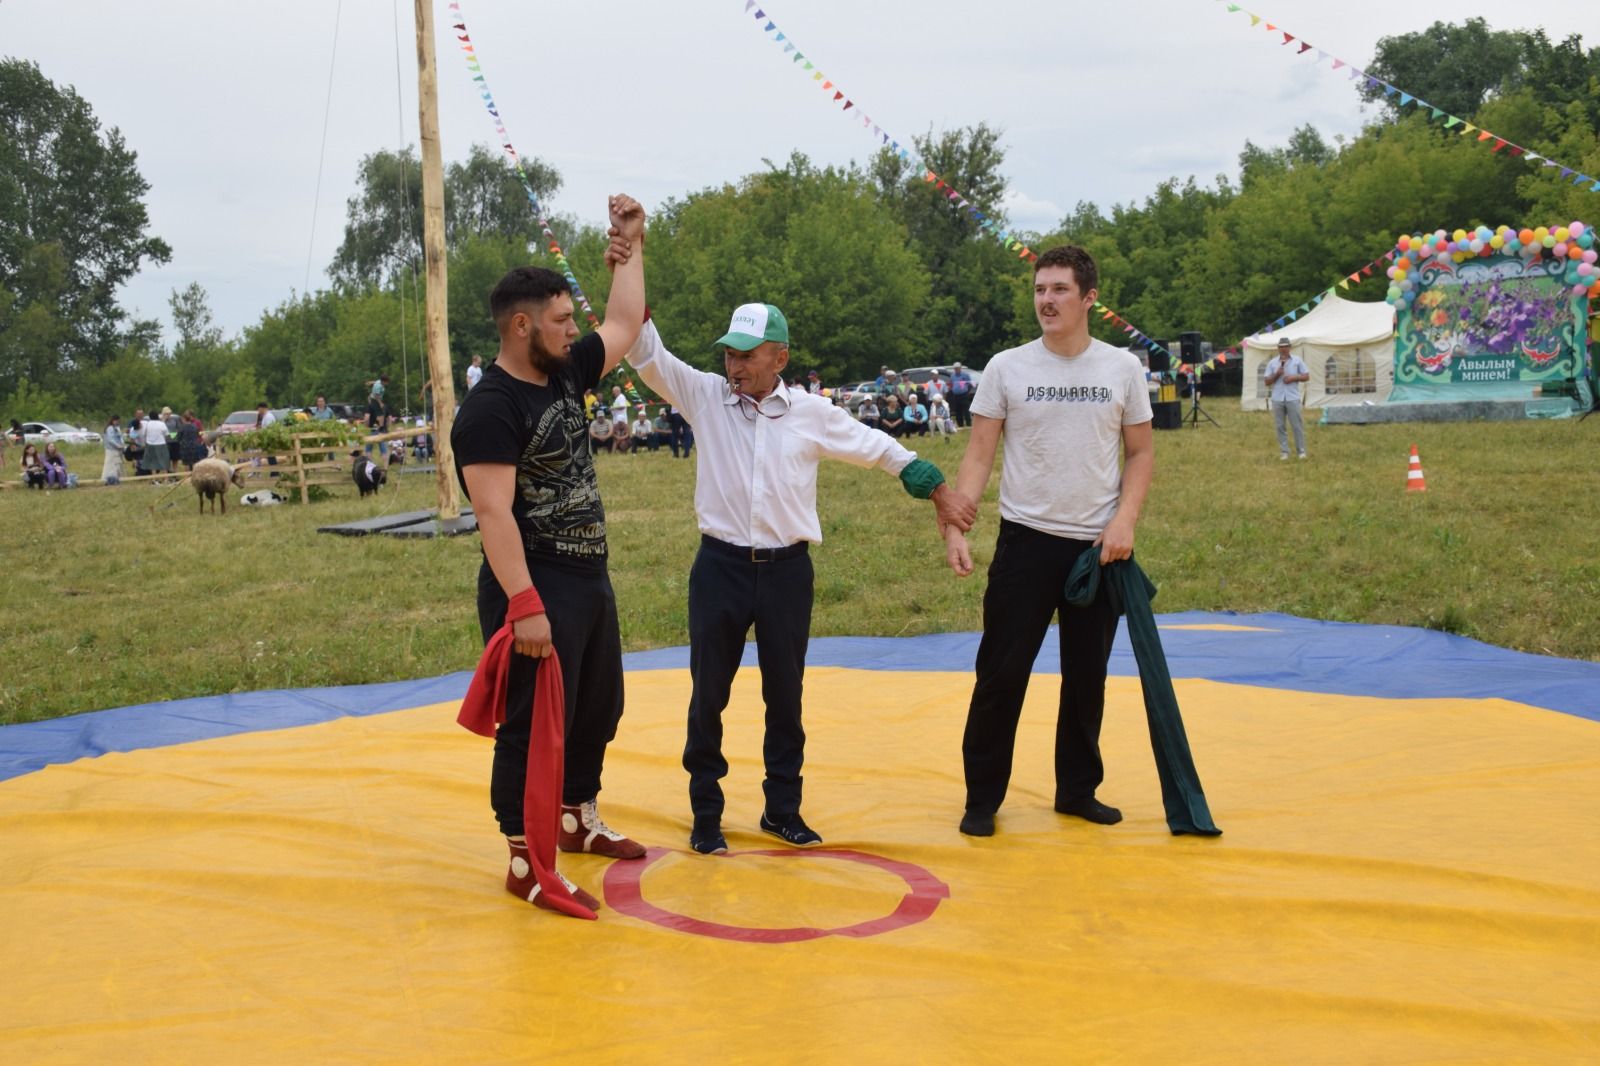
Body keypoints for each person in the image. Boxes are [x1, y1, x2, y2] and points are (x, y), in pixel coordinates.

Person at [620, 298, 975, 855]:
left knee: (785, 697)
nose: (734, 366)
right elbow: (647, 353)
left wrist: (938, 490)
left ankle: (782, 810)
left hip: (787, 573)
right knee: (708, 694)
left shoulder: (812, 412)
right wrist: (629, 265)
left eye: (747, 355)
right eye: (729, 354)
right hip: (720, 569)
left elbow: (878, 448)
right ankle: (706, 815)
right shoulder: (706, 397)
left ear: (779, 357)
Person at [449, 194, 649, 916]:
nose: (577, 329)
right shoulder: (491, 407)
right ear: (523, 325)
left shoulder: (564, 371)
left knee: (599, 708)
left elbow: (625, 322)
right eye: (563, 320)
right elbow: (493, 512)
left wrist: (634, 245)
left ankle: (573, 818)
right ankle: (524, 861)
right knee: (533, 727)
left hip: (587, 575)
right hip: (532, 586)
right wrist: (525, 605)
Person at [943, 244, 1154, 838]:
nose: (1046, 300)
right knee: (1001, 674)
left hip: (1098, 548)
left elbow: (1140, 454)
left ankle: (1077, 790)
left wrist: (1125, 521)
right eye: (1040, 289)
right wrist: (958, 524)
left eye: (1059, 290)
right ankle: (982, 797)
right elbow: (980, 451)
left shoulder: (1121, 369)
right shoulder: (1008, 367)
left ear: (1089, 299)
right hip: (1025, 543)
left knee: (1087, 677)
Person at [1264, 337, 1309, 460]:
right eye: (1281, 347)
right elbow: (1267, 381)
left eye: (1285, 346)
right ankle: (1284, 452)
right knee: (1280, 426)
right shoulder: (1272, 363)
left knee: (1296, 425)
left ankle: (1301, 451)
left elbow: (1306, 376)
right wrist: (1277, 374)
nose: (1283, 349)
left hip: (1292, 397)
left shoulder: (1297, 361)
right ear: (1278, 348)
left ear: (1290, 347)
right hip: (1277, 398)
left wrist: (1294, 378)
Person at [143, 408, 172, 478]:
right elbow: (167, 434)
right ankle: (166, 478)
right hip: (161, 444)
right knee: (163, 461)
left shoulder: (147, 424)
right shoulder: (161, 424)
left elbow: (145, 434)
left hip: (150, 444)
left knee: (153, 462)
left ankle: (154, 478)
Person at [948, 362, 976, 428]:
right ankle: (960, 425)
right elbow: (951, 384)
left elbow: (970, 384)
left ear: (960, 368)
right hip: (956, 395)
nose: (956, 370)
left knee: (966, 410)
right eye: (955, 369)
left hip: (964, 395)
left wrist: (967, 391)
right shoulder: (952, 376)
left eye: (957, 368)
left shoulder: (965, 375)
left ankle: (969, 424)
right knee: (958, 410)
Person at [102, 415, 125, 485]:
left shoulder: (116, 428)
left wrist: (122, 445)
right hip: (111, 450)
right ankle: (107, 479)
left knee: (117, 464)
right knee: (110, 465)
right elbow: (110, 440)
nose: (118, 422)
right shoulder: (110, 428)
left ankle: (116, 478)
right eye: (117, 421)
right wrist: (118, 446)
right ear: (113, 420)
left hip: (117, 450)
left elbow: (120, 437)